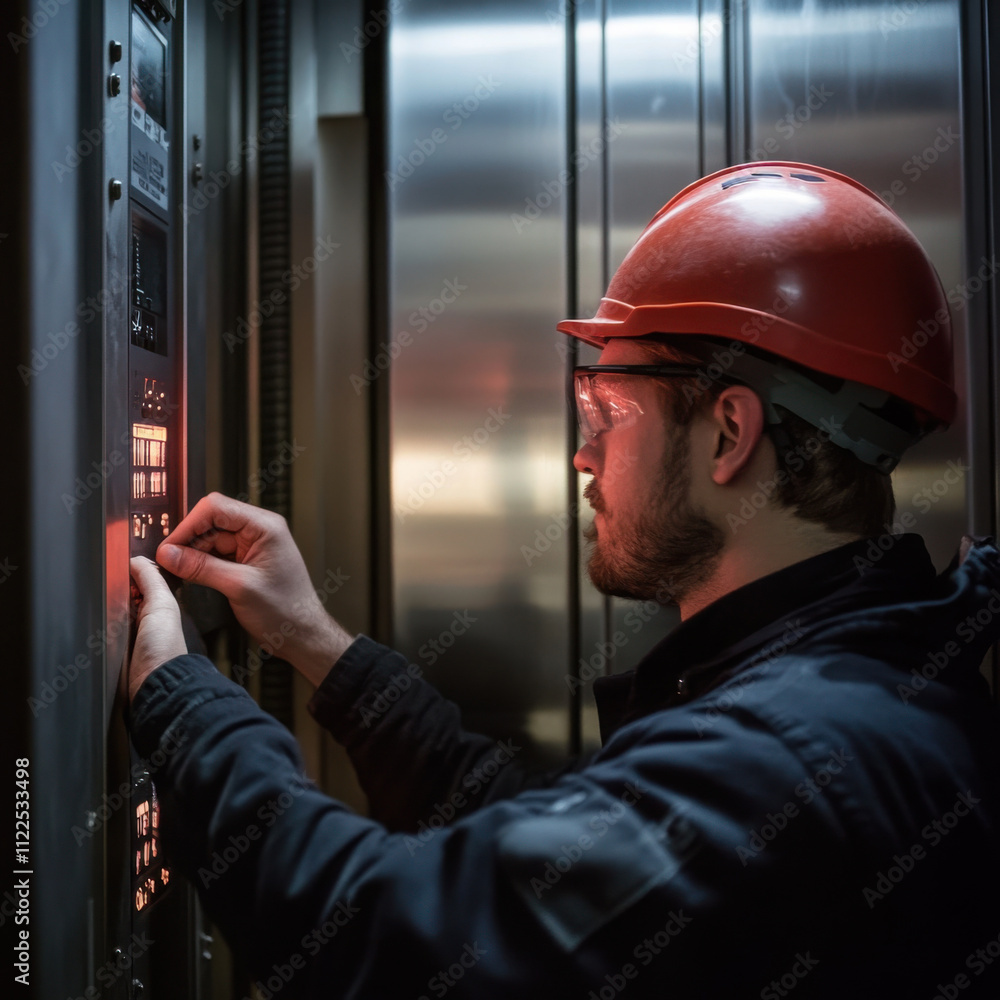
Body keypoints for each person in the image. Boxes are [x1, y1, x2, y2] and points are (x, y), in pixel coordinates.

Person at [128, 162, 1000, 999]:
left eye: (606, 411)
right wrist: (314, 642)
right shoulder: (861, 682)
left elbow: (384, 943)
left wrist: (181, 698)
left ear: (730, 434)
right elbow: (552, 864)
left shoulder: (789, 758)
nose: (583, 456)